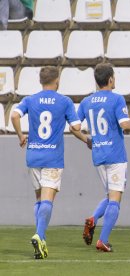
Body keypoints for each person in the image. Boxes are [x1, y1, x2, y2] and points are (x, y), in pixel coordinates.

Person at [71, 63, 130, 252]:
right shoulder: (116, 99)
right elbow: (124, 124)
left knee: (110, 194)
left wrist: (86, 140)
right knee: (115, 199)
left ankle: (93, 219)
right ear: (110, 79)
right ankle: (103, 241)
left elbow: (73, 128)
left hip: (98, 154)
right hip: (115, 155)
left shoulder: (86, 102)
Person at [11, 66, 82, 259]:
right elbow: (76, 126)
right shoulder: (65, 101)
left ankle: (40, 238)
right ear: (57, 80)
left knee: (39, 200)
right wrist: (84, 137)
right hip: (53, 158)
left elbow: (14, 115)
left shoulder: (30, 99)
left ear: (41, 81)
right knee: (48, 200)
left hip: (33, 156)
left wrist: (20, 135)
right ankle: (39, 235)